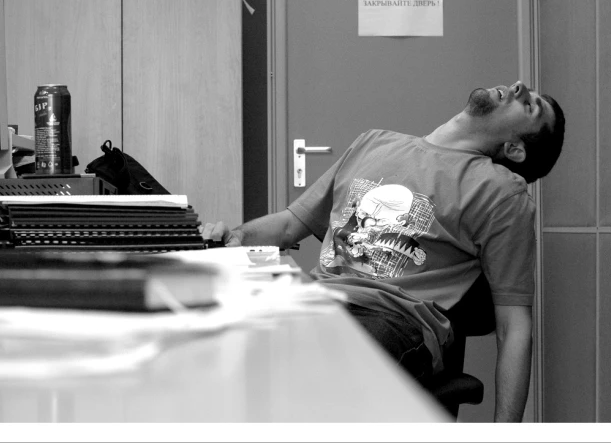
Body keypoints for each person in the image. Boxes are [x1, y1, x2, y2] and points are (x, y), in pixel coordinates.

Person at [201, 81, 565, 422]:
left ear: (515, 149)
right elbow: (287, 226)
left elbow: (513, 325)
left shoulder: (502, 193)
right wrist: (228, 239)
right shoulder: (373, 143)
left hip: (390, 320)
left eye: (530, 105)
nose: (518, 87)